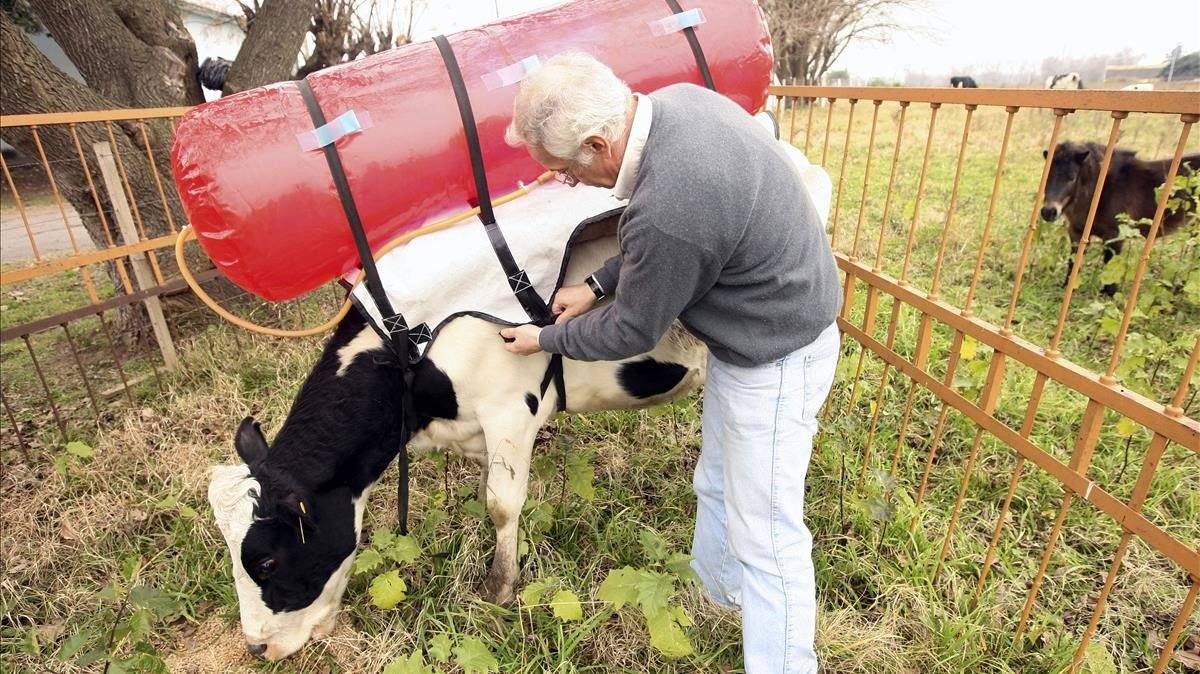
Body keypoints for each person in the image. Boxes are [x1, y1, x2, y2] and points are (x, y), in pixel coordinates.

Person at [498, 52, 841, 674]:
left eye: (566, 173)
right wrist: (601, 284)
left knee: (768, 535)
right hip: (766, 329)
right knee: (717, 481)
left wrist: (544, 340)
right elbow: (655, 231)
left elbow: (635, 324)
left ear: (599, 143)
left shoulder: (676, 202)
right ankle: (719, 593)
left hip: (777, 355)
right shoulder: (677, 104)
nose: (570, 184)